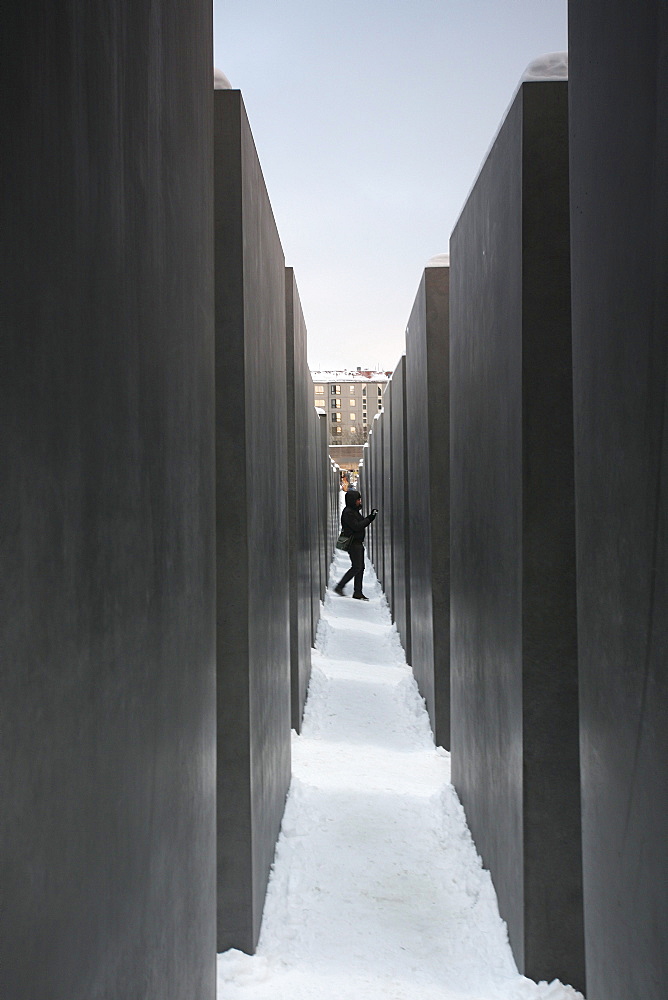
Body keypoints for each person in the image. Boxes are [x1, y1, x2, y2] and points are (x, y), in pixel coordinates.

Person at [333, 490, 378, 600]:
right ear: (353, 500)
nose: (359, 501)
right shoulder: (348, 512)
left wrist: (369, 517)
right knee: (357, 567)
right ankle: (340, 586)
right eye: (358, 500)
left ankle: (357, 592)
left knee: (360, 567)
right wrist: (370, 518)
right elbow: (357, 526)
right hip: (353, 543)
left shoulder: (353, 511)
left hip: (357, 542)